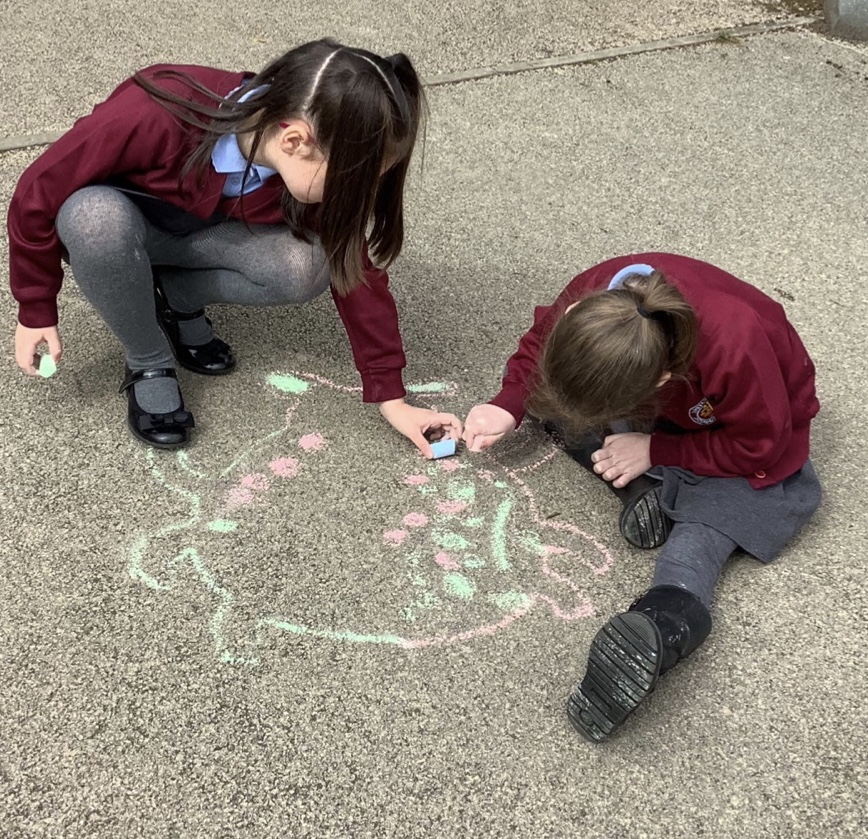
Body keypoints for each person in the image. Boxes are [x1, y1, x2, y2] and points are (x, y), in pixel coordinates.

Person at [8, 38, 460, 454]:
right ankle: (148, 357)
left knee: (305, 264)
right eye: (352, 179)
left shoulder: (301, 159)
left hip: (195, 238)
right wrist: (36, 305)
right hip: (122, 235)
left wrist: (392, 397)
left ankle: (175, 298)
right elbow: (37, 191)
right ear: (294, 140)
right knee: (92, 217)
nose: (358, 195)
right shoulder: (155, 111)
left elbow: (354, 271)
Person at [462, 253, 821, 742]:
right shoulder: (593, 294)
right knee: (554, 407)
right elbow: (538, 353)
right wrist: (506, 404)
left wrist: (657, 447)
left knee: (720, 515)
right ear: (571, 317)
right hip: (666, 405)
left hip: (747, 422)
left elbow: (761, 444)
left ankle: (667, 618)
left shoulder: (735, 347)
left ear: (658, 385)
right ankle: (645, 485)